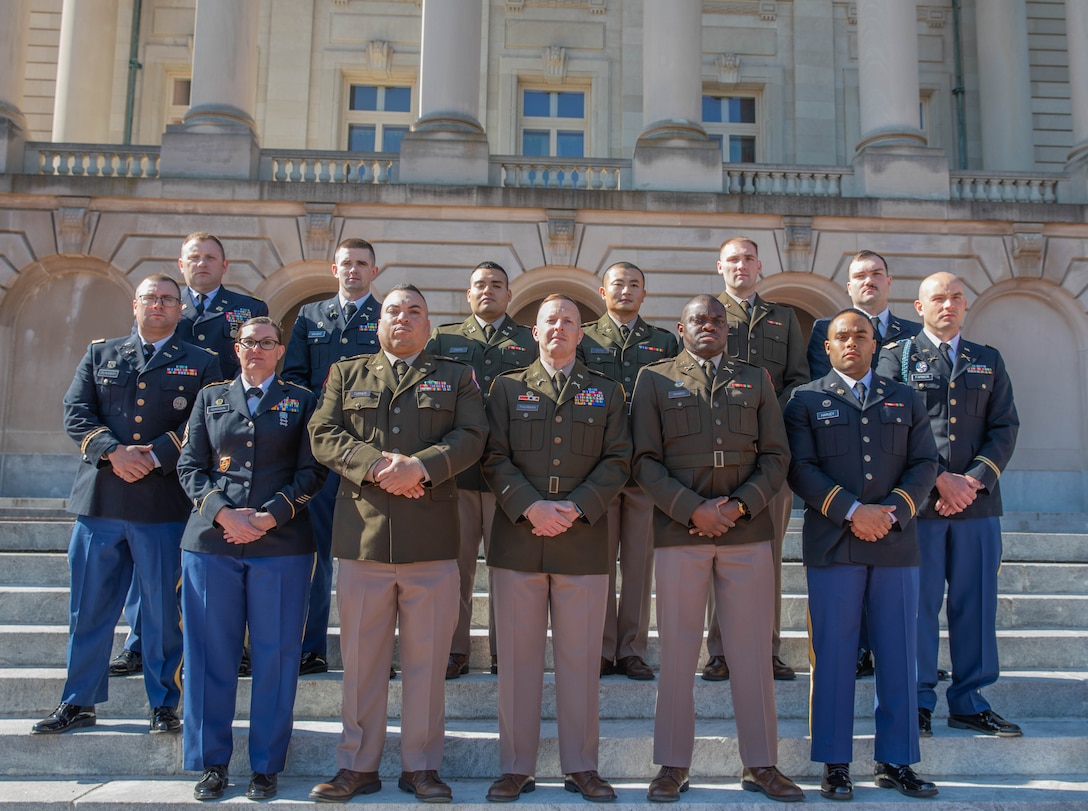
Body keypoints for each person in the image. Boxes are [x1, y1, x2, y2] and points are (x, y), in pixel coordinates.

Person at [307, 284, 487, 803]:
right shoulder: (347, 373)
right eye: (393, 311)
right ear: (377, 322)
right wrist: (380, 468)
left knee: (427, 665)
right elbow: (324, 433)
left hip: (432, 546)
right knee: (362, 664)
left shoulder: (457, 377)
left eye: (414, 311)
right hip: (363, 540)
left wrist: (421, 468)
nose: (403, 318)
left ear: (429, 325)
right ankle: (357, 767)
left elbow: (472, 437)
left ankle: (422, 767)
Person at [631, 294, 803, 804]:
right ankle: (672, 766)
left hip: (746, 533)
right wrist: (693, 510)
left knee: (750, 653)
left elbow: (776, 455)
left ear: (727, 329)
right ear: (680, 328)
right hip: (680, 533)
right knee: (680, 654)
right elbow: (643, 459)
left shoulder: (756, 379)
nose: (708, 326)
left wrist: (739, 507)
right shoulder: (654, 379)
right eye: (697, 320)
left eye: (716, 320)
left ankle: (761, 764)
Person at [33, 274, 221, 736]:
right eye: (150, 298)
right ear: (134, 305)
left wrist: (155, 454)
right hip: (100, 500)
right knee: (89, 608)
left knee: (161, 613)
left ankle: (163, 703)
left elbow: (208, 424)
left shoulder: (202, 362)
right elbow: (77, 411)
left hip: (162, 505)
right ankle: (78, 701)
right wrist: (113, 453)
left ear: (180, 309)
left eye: (167, 300)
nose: (158, 305)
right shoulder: (101, 353)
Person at [481, 295, 630, 803]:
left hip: (582, 541)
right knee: (518, 665)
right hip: (518, 541)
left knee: (581, 662)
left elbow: (618, 460)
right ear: (534, 332)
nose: (560, 328)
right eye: (551, 320)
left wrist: (573, 507)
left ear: (581, 333)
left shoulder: (607, 391)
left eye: (569, 321)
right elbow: (493, 458)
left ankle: (581, 766)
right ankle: (515, 767)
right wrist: (531, 507)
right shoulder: (506, 389)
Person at [785, 308, 939, 800]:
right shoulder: (805, 399)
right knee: (832, 654)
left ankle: (896, 760)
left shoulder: (905, 398)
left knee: (898, 653)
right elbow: (800, 469)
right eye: (841, 337)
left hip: (895, 541)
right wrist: (853, 512)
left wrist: (891, 512)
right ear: (827, 347)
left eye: (861, 335)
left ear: (876, 344)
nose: (851, 342)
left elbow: (924, 464)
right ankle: (834, 761)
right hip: (833, 542)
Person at [177, 317, 326, 801]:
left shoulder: (302, 401)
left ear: (280, 351)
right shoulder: (210, 398)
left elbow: (312, 472)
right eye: (248, 343)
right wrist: (223, 515)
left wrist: (268, 517)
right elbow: (189, 467)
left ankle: (265, 764)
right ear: (236, 349)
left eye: (266, 343)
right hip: (212, 544)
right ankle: (211, 762)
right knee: (208, 656)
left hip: (279, 544)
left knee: (276, 657)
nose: (256, 350)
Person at [110, 231, 268, 680]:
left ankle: (234, 645)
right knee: (152, 551)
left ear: (225, 265)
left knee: (223, 547)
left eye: (210, 257)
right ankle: (141, 640)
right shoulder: (163, 304)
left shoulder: (248, 309)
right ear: (181, 265)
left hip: (231, 444)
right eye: (194, 257)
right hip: (163, 448)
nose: (202, 263)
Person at [877, 272, 1022, 739]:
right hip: (920, 506)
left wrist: (973, 482)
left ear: (965, 305)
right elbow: (887, 427)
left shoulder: (988, 359)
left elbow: (1004, 428)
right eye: (938, 297)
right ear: (918, 307)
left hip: (977, 508)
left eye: (956, 297)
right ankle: (917, 701)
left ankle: (970, 700)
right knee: (916, 607)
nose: (948, 304)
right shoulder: (895, 358)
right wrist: (939, 478)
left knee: (975, 604)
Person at [805, 249, 921, 679]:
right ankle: (855, 649)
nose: (868, 281)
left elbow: (918, 414)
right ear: (848, 285)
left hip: (902, 475)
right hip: (841, 481)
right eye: (859, 275)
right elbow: (825, 395)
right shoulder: (825, 331)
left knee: (899, 588)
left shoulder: (913, 334)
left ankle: (904, 655)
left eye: (876, 274)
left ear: (889, 282)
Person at [426, 261, 537, 679]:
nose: (488, 290)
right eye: (479, 285)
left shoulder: (529, 341)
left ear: (510, 295)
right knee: (454, 567)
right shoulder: (445, 338)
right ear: (467, 295)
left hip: (510, 475)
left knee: (508, 570)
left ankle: (503, 651)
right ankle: (455, 649)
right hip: (457, 474)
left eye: (496, 285)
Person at [707, 236, 808, 682]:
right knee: (716, 552)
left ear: (760, 266)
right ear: (720, 267)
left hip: (770, 455)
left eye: (748, 258)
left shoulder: (783, 319)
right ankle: (720, 651)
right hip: (716, 452)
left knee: (767, 555)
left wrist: (765, 413)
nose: (741, 265)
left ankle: (767, 649)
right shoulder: (706, 315)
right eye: (733, 259)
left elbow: (799, 380)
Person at [282, 237, 382, 676]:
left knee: (374, 558)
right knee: (318, 555)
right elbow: (296, 379)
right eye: (347, 263)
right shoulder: (309, 316)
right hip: (323, 454)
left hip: (372, 453)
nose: (353, 270)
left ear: (374, 271)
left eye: (362, 264)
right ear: (334, 268)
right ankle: (311, 646)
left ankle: (375, 651)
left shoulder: (386, 316)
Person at [578, 262, 678, 681]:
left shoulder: (663, 341)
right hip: (596, 470)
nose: (626, 291)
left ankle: (632, 648)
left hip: (644, 472)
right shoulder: (582, 337)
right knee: (598, 564)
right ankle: (600, 648)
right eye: (618, 284)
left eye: (634, 285)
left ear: (644, 294)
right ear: (602, 292)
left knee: (638, 565)